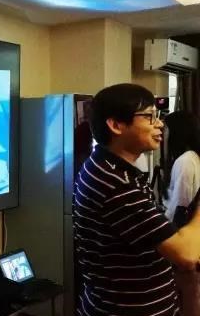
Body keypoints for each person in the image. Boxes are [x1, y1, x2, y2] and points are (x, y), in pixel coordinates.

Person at [74, 83, 200, 316]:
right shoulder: (115, 184)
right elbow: (186, 254)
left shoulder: (108, 167)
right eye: (149, 116)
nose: (160, 124)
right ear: (116, 125)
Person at [163, 111, 200, 316]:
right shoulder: (194, 157)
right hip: (194, 238)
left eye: (166, 130)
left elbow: (181, 204)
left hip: (183, 238)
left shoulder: (185, 161)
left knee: (187, 298)